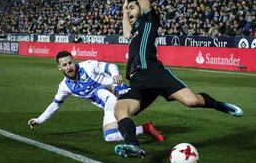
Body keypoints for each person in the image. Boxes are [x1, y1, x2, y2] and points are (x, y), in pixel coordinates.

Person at [112, 0, 244, 158]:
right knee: (120, 110)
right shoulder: (134, 31)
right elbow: (125, 33)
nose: (130, 11)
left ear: (142, 8)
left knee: (193, 101)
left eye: (133, 7)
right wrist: (125, 9)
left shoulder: (149, 20)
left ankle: (220, 105)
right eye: (129, 9)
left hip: (155, 74)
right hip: (138, 81)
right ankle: (133, 146)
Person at [28, 50, 164, 142]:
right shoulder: (65, 86)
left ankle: (161, 85)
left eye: (70, 63)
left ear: (73, 61)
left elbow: (110, 66)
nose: (69, 67)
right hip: (111, 104)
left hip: (119, 95)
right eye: (64, 65)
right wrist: (39, 120)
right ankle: (145, 128)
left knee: (103, 94)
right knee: (111, 137)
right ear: (60, 68)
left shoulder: (88, 66)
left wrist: (115, 74)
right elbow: (55, 105)